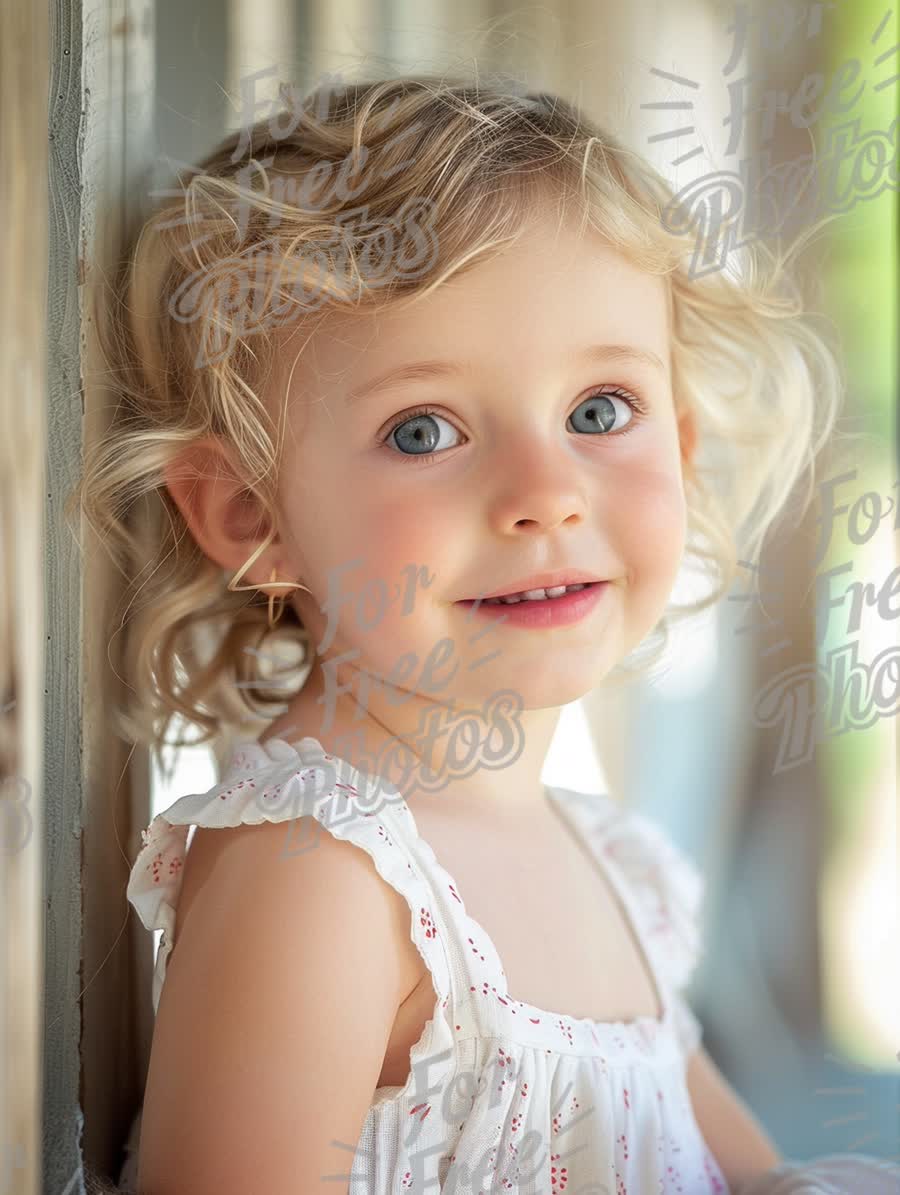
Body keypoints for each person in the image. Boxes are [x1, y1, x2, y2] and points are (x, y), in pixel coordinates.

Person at [72, 73, 857, 1194]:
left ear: (680, 447)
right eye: (424, 429)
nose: (547, 493)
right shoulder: (323, 881)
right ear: (254, 516)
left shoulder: (610, 862)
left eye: (599, 410)